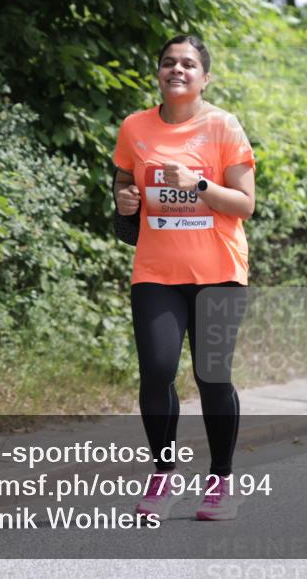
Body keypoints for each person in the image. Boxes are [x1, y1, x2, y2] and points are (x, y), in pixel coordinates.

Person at [112, 34, 256, 522]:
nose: (178, 69)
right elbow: (123, 180)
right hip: (157, 270)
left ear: (204, 77)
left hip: (218, 270)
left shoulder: (223, 126)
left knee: (211, 376)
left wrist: (198, 183)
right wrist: (124, 199)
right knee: (156, 370)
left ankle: (221, 480)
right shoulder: (134, 127)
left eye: (189, 64)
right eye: (169, 62)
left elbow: (245, 203)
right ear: (158, 72)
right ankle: (163, 474)